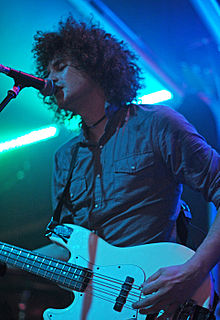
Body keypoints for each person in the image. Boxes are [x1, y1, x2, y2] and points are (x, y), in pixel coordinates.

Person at [31, 16, 220, 318]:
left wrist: (193, 271)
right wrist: (9, 259)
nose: (49, 78)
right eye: (46, 70)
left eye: (60, 65)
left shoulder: (157, 124)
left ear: (94, 64)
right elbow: (67, 247)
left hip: (160, 300)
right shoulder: (64, 158)